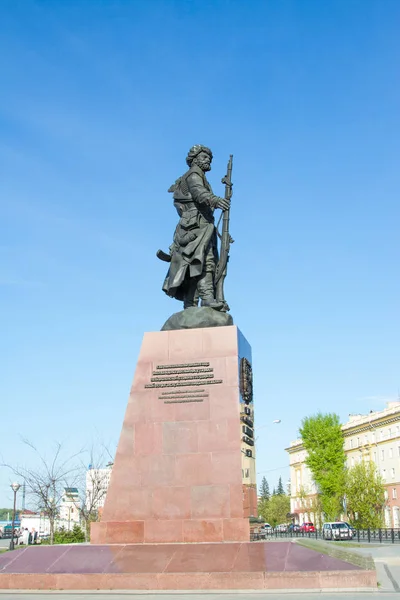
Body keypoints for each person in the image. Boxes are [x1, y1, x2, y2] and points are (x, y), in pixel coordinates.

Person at [159, 145, 230, 310]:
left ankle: (191, 303)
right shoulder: (194, 175)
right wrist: (216, 200)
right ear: (195, 158)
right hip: (195, 226)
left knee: (197, 263)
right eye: (204, 157)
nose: (208, 160)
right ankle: (204, 298)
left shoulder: (198, 175)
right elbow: (199, 194)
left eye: (209, 158)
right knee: (205, 261)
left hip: (201, 224)